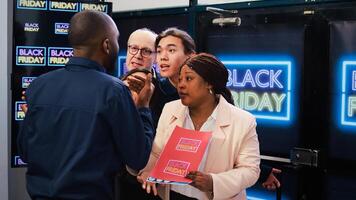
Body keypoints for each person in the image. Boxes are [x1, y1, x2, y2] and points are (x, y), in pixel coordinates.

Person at [17, 10, 155, 200]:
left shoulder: (38, 86)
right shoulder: (113, 91)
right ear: (106, 45)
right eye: (116, 40)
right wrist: (143, 107)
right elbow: (138, 158)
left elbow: (25, 153)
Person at [138, 53, 260, 200]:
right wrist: (148, 171)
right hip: (173, 195)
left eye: (188, 78)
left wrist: (213, 182)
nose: (181, 85)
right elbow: (157, 153)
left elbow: (250, 170)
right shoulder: (170, 109)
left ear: (209, 83)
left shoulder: (243, 121)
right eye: (180, 79)